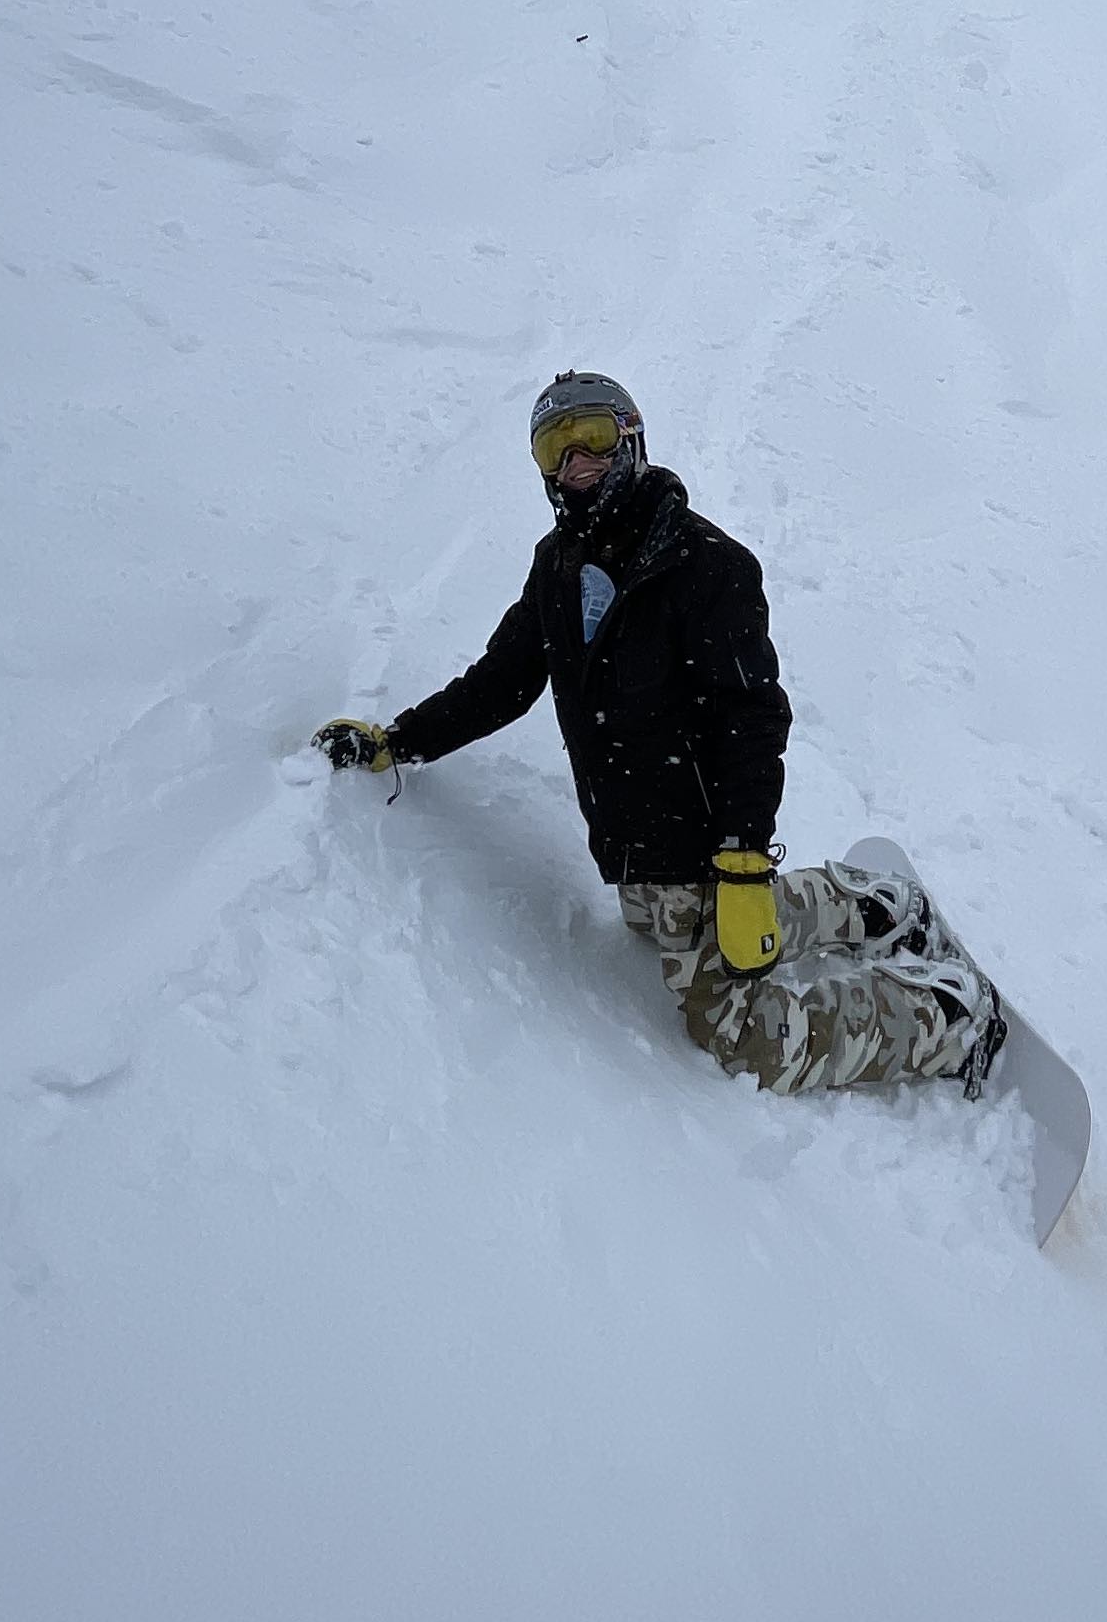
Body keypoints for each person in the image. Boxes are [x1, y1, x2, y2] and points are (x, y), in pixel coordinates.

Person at [317, 372, 1006, 1096]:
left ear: (632, 439)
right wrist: (398, 742)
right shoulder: (557, 565)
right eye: (556, 448)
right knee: (656, 925)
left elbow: (752, 719)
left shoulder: (708, 565)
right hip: (631, 845)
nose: (576, 464)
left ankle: (945, 1016)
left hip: (701, 842)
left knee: (742, 1040)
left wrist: (741, 861)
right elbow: (501, 682)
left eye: (594, 439)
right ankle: (871, 905)